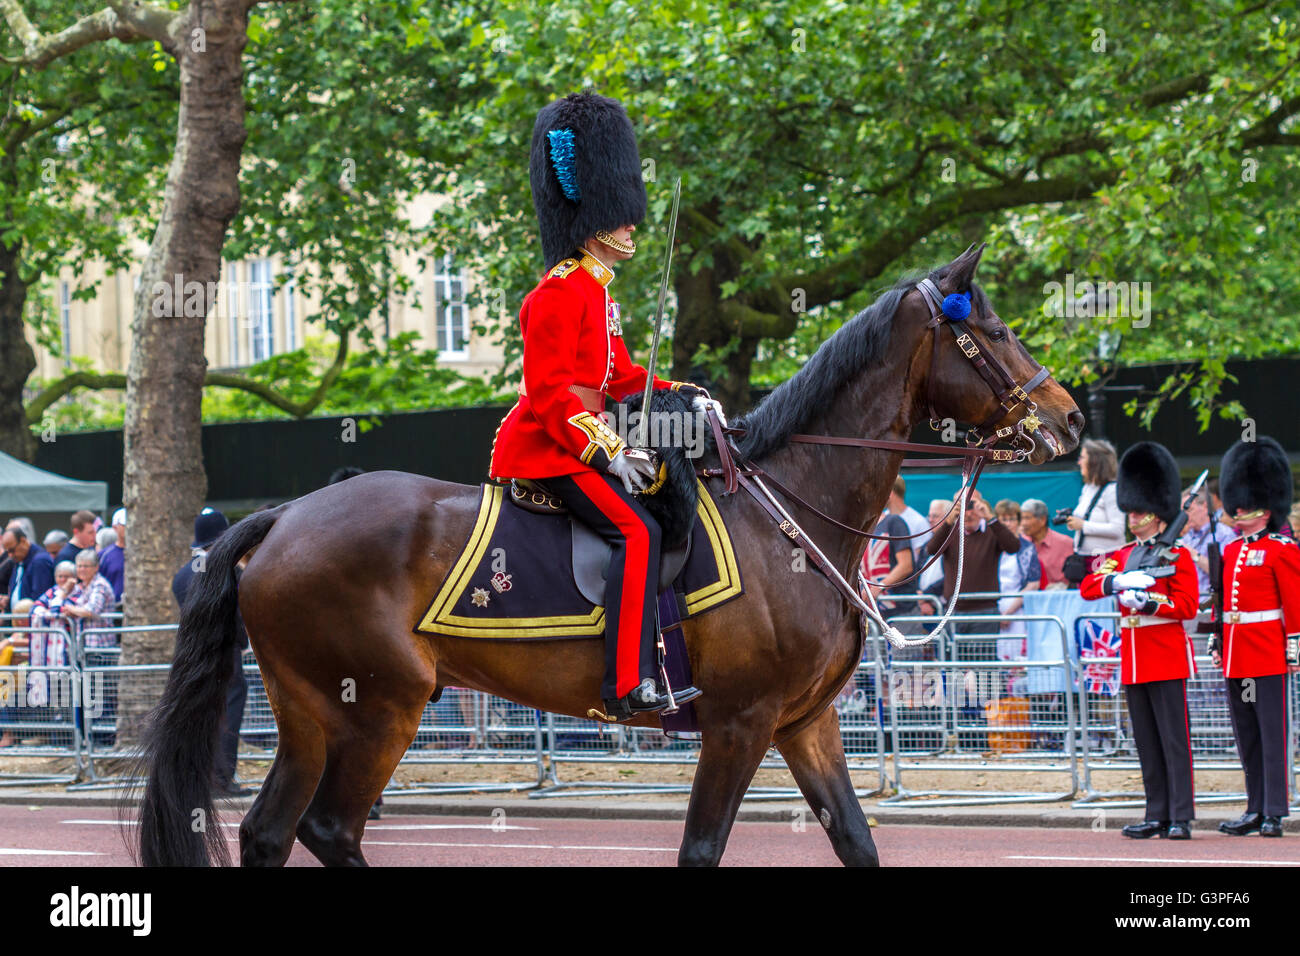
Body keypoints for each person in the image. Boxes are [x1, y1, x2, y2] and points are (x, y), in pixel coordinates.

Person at [487, 91, 712, 719]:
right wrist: (611, 451)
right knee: (636, 531)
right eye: (621, 214)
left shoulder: (597, 292)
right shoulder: (558, 293)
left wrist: (680, 393)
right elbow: (551, 393)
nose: (631, 224)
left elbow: (621, 378)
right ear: (594, 218)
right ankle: (625, 683)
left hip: (579, 435)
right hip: (545, 447)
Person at [1080, 442, 1199, 840]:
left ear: (1158, 514)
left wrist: (1149, 602)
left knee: (1174, 741)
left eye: (1140, 512)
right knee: (1146, 741)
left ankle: (1180, 816)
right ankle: (1156, 813)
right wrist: (1117, 581)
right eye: (1130, 512)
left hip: (1166, 655)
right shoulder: (1123, 554)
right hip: (1134, 657)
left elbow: (1187, 606)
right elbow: (1088, 585)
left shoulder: (1179, 555)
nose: (1133, 518)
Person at [1212, 436, 1300, 838]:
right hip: (1237, 657)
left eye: (1246, 504)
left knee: (1272, 735)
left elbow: (1294, 606)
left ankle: (1275, 810)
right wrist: (1217, 640)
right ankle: (1254, 806)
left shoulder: (1283, 550)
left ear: (1265, 509)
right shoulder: (1230, 551)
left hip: (1267, 656)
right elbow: (1222, 603)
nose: (1238, 509)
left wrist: (1293, 647)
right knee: (1247, 736)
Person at [172, 508, 250, 797]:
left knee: (201, 716)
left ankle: (200, 778)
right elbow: (234, 615)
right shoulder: (225, 571)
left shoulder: (183, 574)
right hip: (223, 653)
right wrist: (242, 642)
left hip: (192, 655)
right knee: (228, 713)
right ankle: (221, 778)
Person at [925, 488, 1020, 659]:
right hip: (953, 611)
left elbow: (1013, 547)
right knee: (952, 668)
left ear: (981, 505)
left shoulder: (991, 531)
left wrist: (989, 517)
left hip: (984, 611)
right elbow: (931, 549)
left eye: (971, 505)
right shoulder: (950, 533)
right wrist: (949, 521)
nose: (967, 513)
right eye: (962, 505)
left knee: (984, 668)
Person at [1064, 439, 1125, 579]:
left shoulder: (1112, 490)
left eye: (1082, 457)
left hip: (1105, 559)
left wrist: (1083, 525)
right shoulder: (1087, 488)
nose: (1079, 462)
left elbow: (1118, 529)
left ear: (1095, 461)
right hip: (1083, 559)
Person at [993, 499, 1042, 661]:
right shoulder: (992, 546)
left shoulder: (1027, 548)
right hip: (993, 607)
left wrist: (1009, 612)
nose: (1008, 523)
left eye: (1012, 519)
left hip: (1017, 608)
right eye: (1004, 519)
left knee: (1016, 656)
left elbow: (1033, 583)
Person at [1180, 483, 1236, 598]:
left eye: (1189, 510)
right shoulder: (1187, 536)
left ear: (1205, 507)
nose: (1185, 516)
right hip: (1190, 603)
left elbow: (1224, 573)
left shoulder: (1223, 534)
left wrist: (1193, 554)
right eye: (1183, 511)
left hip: (1210, 605)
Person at [1020, 499, 1074, 588]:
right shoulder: (1021, 543)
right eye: (1021, 518)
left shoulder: (1065, 543)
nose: (1023, 523)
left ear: (1042, 520)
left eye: (1027, 518)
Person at [2, 522, 56, 607]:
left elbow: (40, 598)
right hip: (17, 617)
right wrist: (8, 600)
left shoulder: (40, 561)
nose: (10, 555)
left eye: (12, 550)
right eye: (7, 552)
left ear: (23, 541)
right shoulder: (19, 559)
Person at [97, 509, 126, 602]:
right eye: (125, 524)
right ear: (115, 527)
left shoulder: (144, 554)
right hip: (113, 610)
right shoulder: (103, 555)